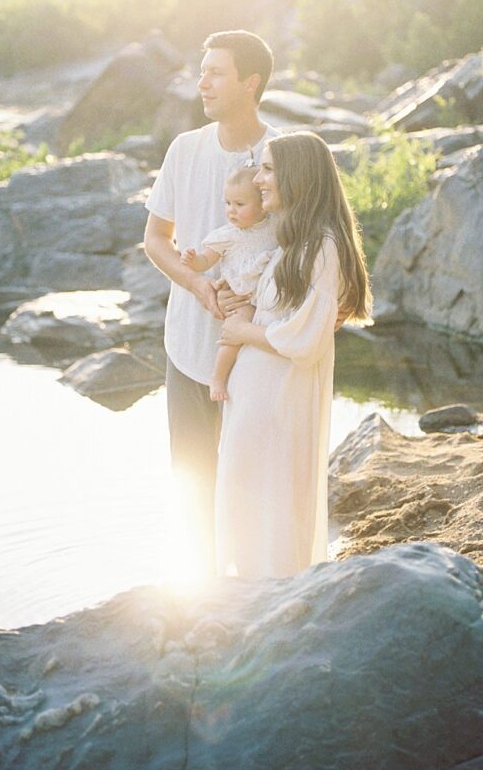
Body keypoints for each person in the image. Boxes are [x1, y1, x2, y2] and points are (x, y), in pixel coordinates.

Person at [144, 30, 278, 571]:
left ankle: (252, 594)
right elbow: (156, 240)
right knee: (193, 480)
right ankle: (200, 595)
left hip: (257, 349)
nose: (202, 82)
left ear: (251, 83)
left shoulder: (282, 154)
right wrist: (198, 284)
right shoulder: (185, 149)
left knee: (249, 484)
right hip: (186, 347)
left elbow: (305, 248)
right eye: (202, 71)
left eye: (216, 72)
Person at [215, 131, 372, 578]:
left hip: (279, 397)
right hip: (258, 396)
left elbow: (305, 340)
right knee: (249, 495)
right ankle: (248, 592)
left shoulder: (321, 246)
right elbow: (278, 311)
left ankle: (272, 595)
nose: (258, 179)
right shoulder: (293, 242)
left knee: (273, 500)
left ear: (297, 177)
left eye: (267, 169)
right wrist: (238, 304)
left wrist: (244, 329)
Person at [179, 165, 278, 402]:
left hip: (269, 296)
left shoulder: (274, 225)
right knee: (234, 334)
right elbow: (205, 261)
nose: (231, 211)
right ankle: (218, 377)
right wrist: (193, 261)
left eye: (240, 205)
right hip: (242, 297)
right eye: (227, 203)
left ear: (262, 203)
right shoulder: (226, 235)